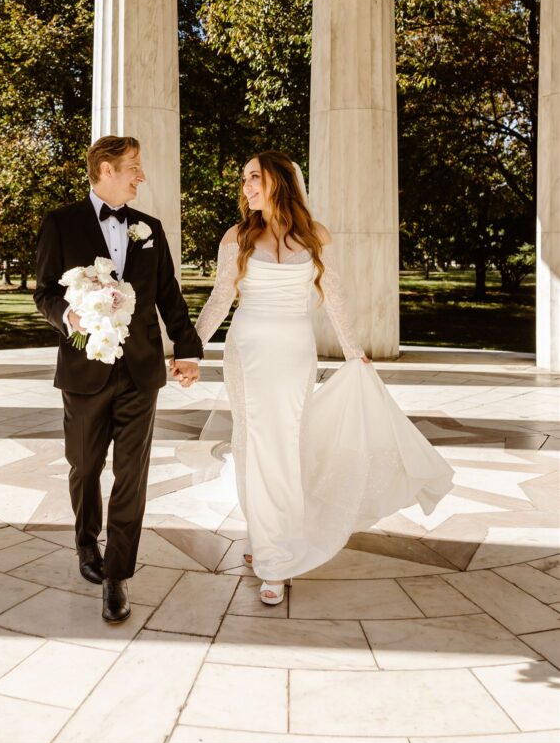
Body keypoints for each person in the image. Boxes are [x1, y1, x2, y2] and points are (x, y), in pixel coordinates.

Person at [180, 150, 453, 605]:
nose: (245, 186)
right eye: (244, 179)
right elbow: (219, 300)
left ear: (279, 182)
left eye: (254, 177)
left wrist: (354, 352)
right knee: (254, 442)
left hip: (295, 352)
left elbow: (335, 296)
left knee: (287, 443)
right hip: (247, 351)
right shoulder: (237, 236)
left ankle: (275, 547)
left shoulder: (315, 236)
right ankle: (270, 549)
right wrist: (191, 351)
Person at [35, 136, 202, 622]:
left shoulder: (148, 228)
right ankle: (87, 545)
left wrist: (187, 348)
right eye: (133, 167)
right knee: (84, 467)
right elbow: (45, 290)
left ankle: (117, 574)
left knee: (132, 474)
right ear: (105, 170)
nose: (140, 176)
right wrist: (70, 317)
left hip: (141, 371)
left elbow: (167, 292)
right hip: (84, 366)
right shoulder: (60, 223)